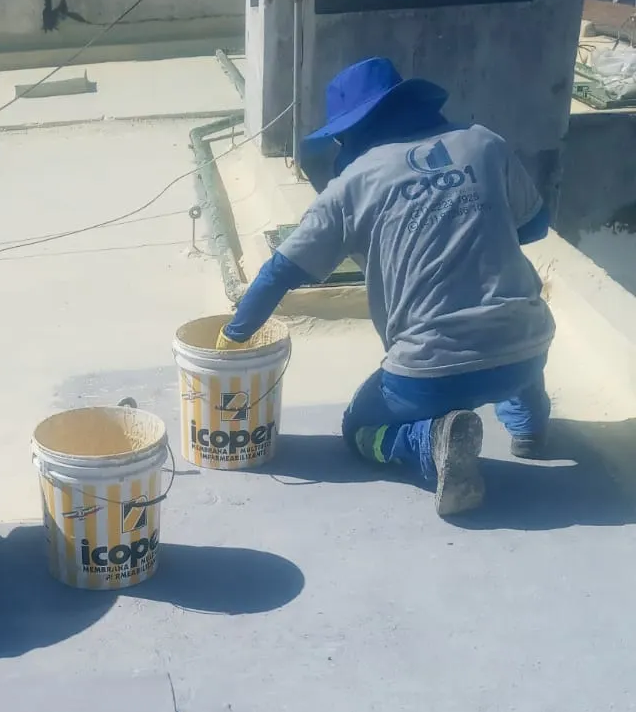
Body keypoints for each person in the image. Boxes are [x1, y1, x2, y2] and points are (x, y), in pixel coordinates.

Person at [222, 57, 554, 518]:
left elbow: (278, 272)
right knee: (511, 314)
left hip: (429, 373)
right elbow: (535, 225)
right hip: (527, 351)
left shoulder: (350, 186)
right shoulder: (484, 143)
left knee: (360, 427)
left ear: (347, 134)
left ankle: (429, 442)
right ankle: (529, 429)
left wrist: (233, 337)